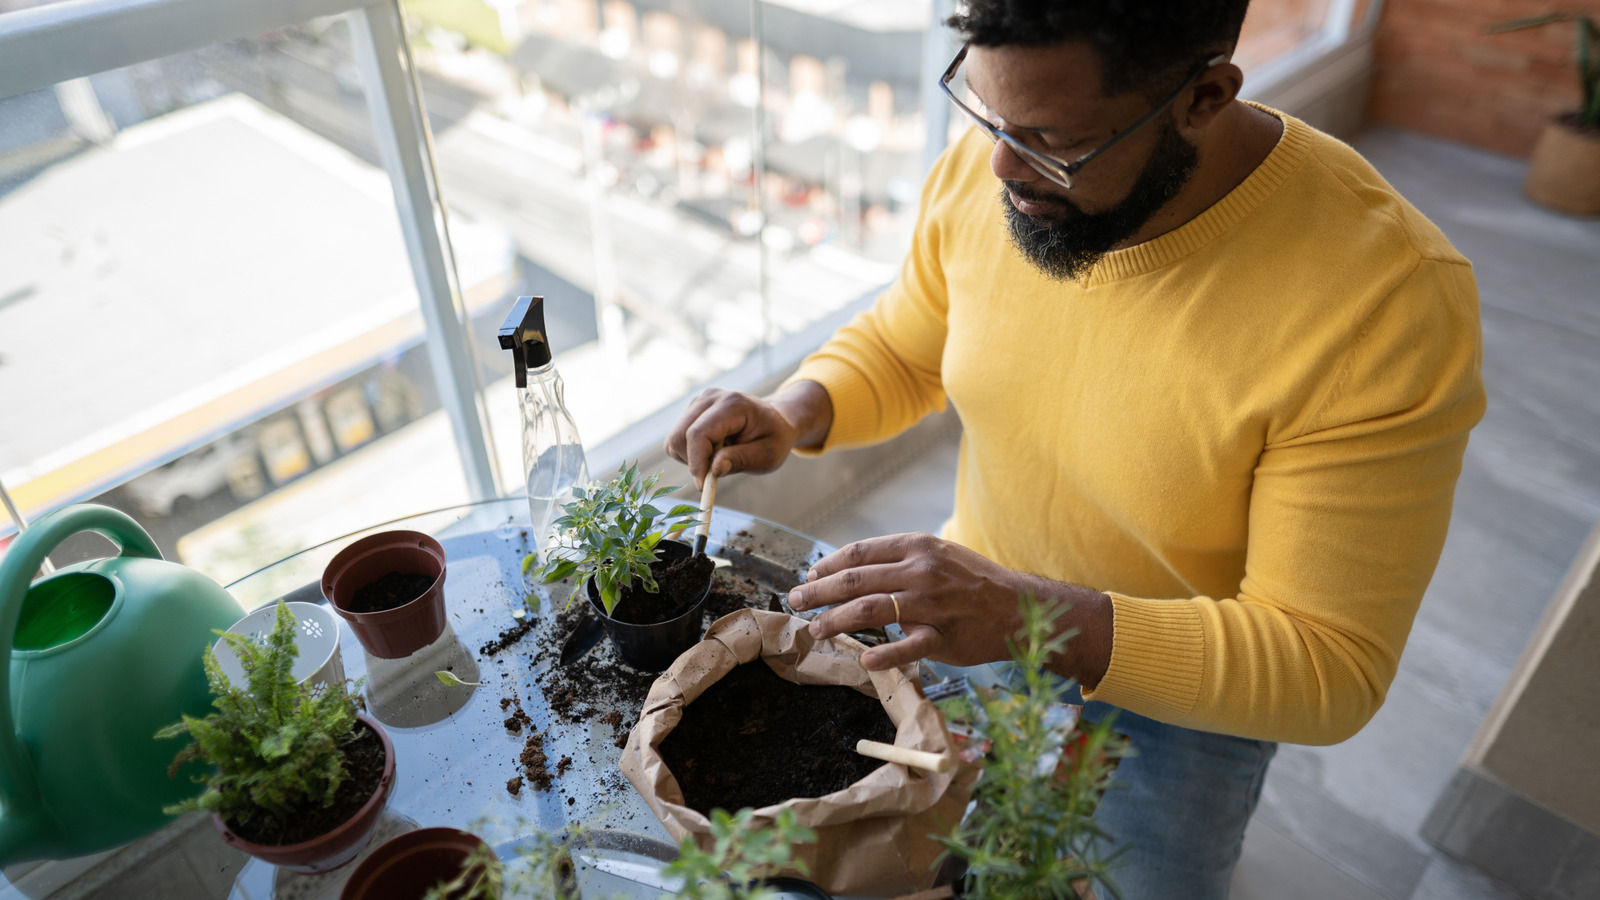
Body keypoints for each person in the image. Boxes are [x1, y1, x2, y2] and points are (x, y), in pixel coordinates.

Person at [665, 1, 1486, 896]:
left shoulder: (1385, 300)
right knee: (930, 858)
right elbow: (912, 342)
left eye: (1053, 139)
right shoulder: (1004, 163)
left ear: (1204, 96)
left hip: (1186, 701)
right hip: (965, 618)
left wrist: (1030, 619)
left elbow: (1325, 662)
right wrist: (796, 411)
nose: (1000, 166)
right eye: (984, 111)